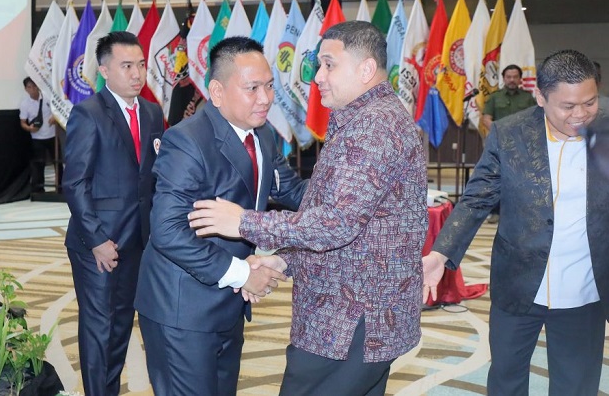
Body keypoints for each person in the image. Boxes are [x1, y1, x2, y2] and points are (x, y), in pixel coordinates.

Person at [189, 21, 429, 396]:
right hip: (357, 316)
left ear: (366, 69)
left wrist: (244, 222)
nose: (317, 77)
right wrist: (286, 260)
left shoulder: (373, 128)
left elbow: (335, 224)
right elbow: (357, 228)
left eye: (329, 65)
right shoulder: (365, 118)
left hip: (349, 321)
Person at [422, 50, 609, 396]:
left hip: (585, 287)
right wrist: (440, 253)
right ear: (540, 97)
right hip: (518, 282)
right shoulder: (510, 133)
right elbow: (477, 198)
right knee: (506, 380)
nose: (581, 114)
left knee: (577, 385)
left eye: (590, 102)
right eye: (568, 106)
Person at [135, 36, 308, 396]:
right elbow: (167, 230)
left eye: (269, 86)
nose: (266, 98)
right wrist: (243, 273)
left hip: (228, 303)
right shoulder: (187, 140)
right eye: (252, 88)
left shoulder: (263, 135)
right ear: (217, 91)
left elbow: (292, 191)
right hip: (182, 308)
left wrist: (352, 194)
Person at [62, 31, 164, 396]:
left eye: (141, 65)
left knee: (121, 325)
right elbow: (75, 183)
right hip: (98, 244)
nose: (137, 74)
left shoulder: (152, 112)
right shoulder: (88, 114)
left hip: (139, 240)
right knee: (99, 327)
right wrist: (97, 240)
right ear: (104, 70)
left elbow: (152, 177)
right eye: (127, 66)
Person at [482, 64, 537, 223]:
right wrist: (503, 132)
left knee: (520, 180)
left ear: (520, 79)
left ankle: (518, 213)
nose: (512, 80)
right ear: (504, 78)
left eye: (515, 77)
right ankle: (495, 212)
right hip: (499, 145)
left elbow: (535, 119)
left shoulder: (528, 98)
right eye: (508, 77)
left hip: (522, 145)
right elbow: (486, 119)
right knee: (497, 179)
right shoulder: (495, 97)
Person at [19, 77, 61, 193]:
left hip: (52, 136)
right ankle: (38, 189)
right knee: (39, 164)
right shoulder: (25, 104)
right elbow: (23, 122)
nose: (32, 89)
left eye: (34, 86)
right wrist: (29, 128)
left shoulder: (47, 97)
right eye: (29, 87)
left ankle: (61, 187)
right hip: (37, 138)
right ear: (26, 89)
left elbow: (58, 110)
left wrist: (55, 117)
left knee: (57, 162)